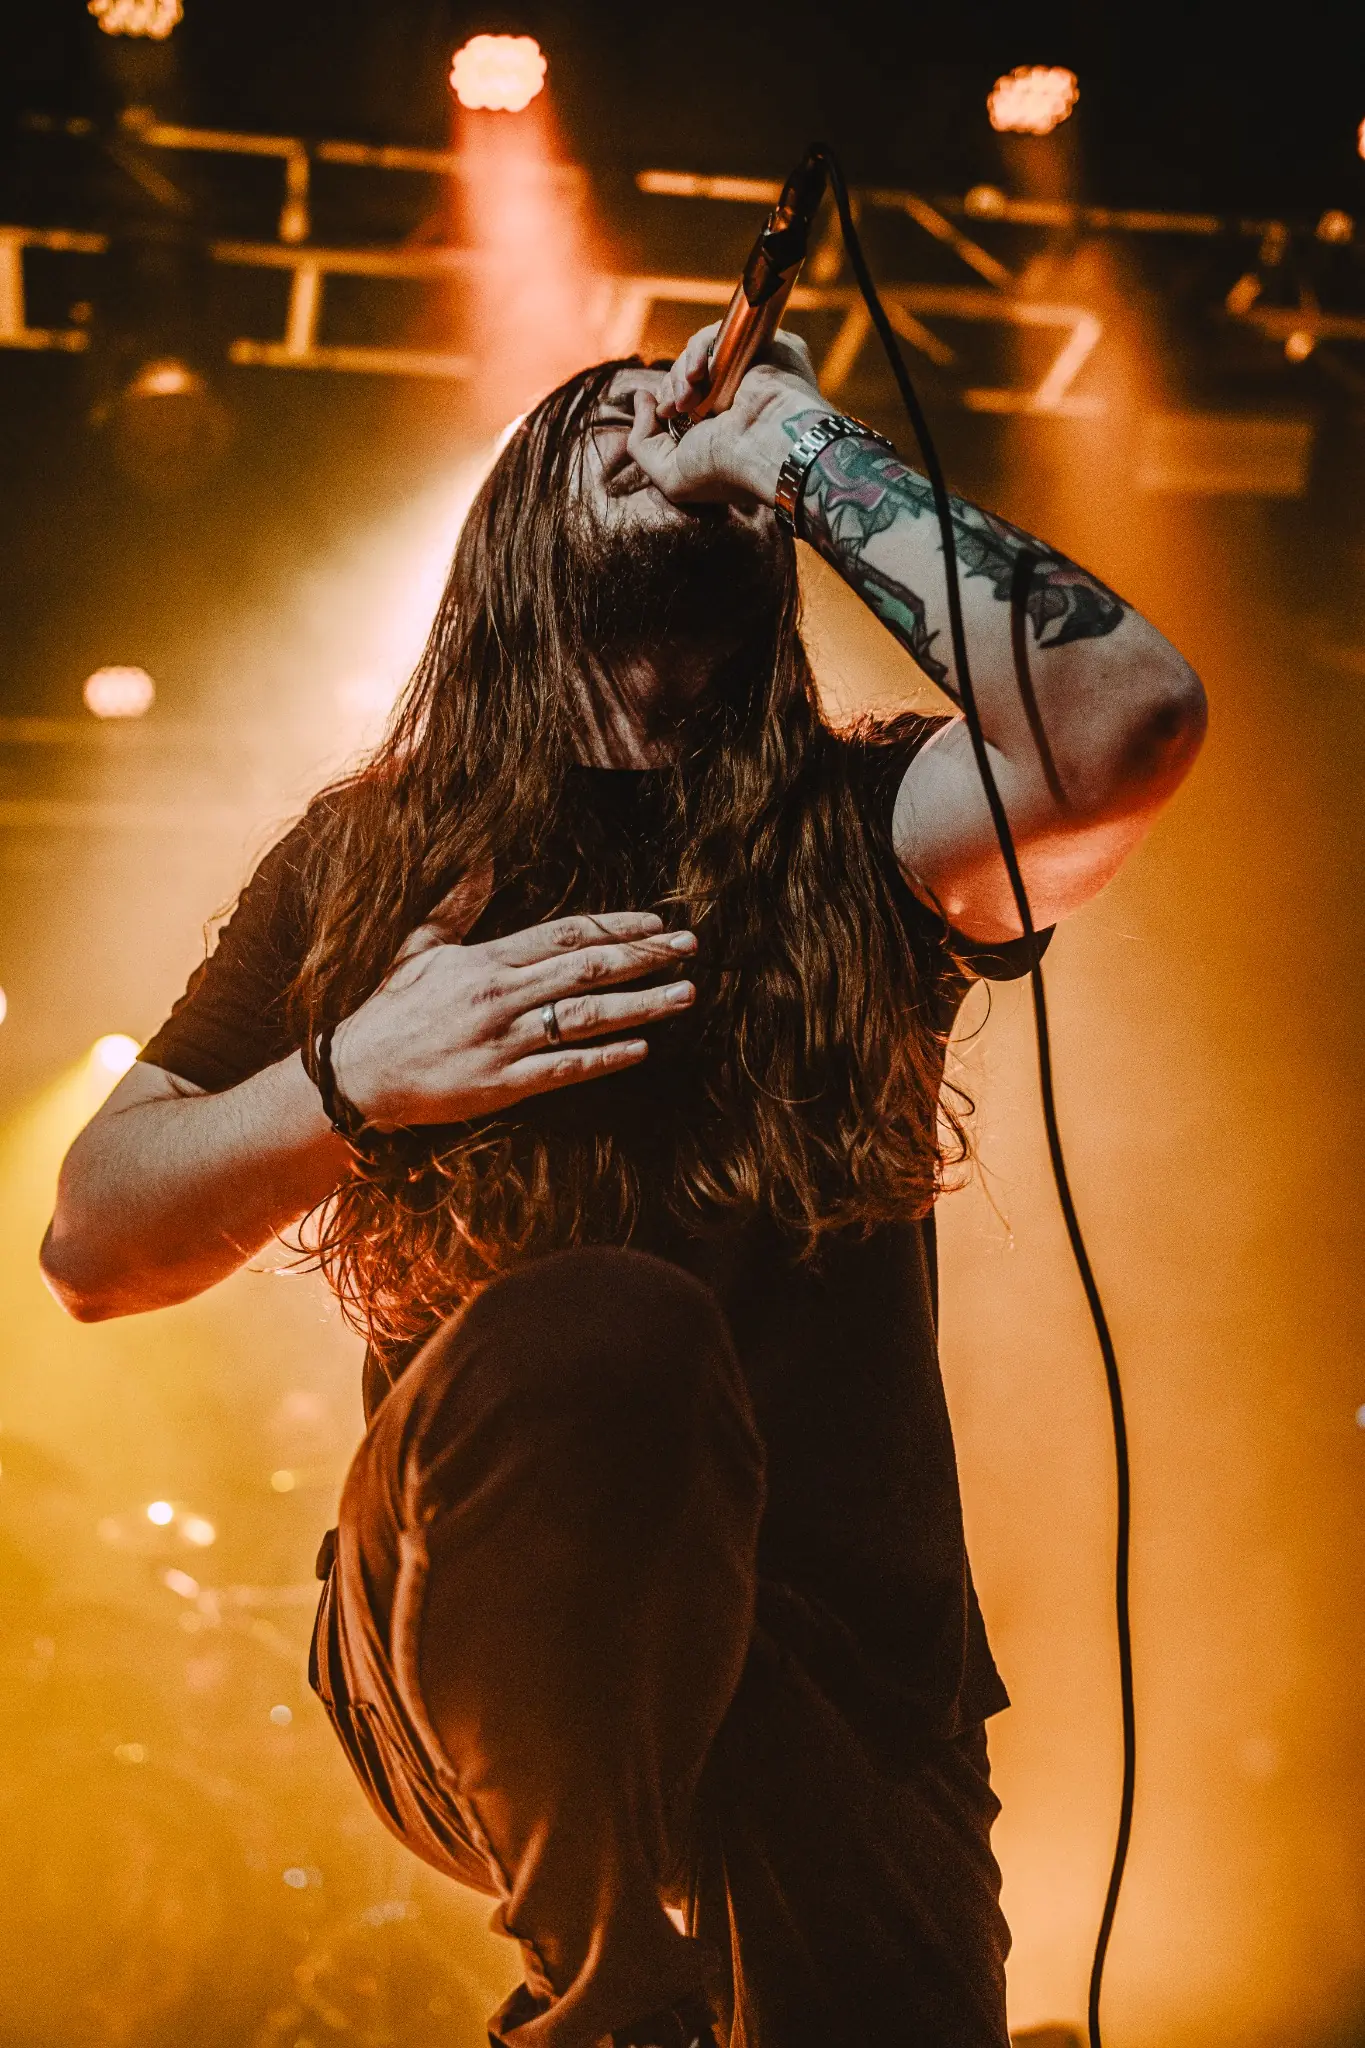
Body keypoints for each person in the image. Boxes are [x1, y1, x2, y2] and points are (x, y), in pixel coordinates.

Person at [40, 325, 1206, 2048]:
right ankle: (603, 2002)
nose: (671, 419)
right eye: (610, 418)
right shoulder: (369, 860)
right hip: (469, 1636)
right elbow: (93, 1242)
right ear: (516, 520)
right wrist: (358, 1076)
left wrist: (801, 444)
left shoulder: (868, 825)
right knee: (604, 1330)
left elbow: (1130, 721)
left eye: (704, 412)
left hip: (846, 1675)